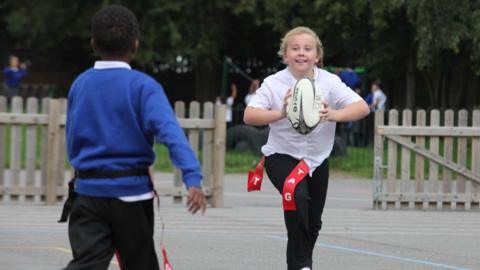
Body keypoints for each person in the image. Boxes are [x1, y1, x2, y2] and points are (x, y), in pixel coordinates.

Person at [61, 5, 206, 270]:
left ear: (93, 43)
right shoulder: (144, 86)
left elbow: (72, 138)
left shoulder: (80, 84)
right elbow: (170, 134)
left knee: (86, 264)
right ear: (136, 45)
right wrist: (192, 176)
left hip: (87, 192)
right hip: (131, 196)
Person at [243, 26, 369, 270]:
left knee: (313, 221)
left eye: (307, 49)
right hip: (281, 155)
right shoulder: (274, 83)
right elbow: (249, 115)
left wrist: (334, 113)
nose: (301, 53)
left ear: (317, 56)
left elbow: (362, 107)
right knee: (297, 196)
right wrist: (280, 112)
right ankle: (301, 265)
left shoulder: (330, 82)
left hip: (317, 159)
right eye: (295, 48)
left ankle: (301, 264)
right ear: (285, 55)